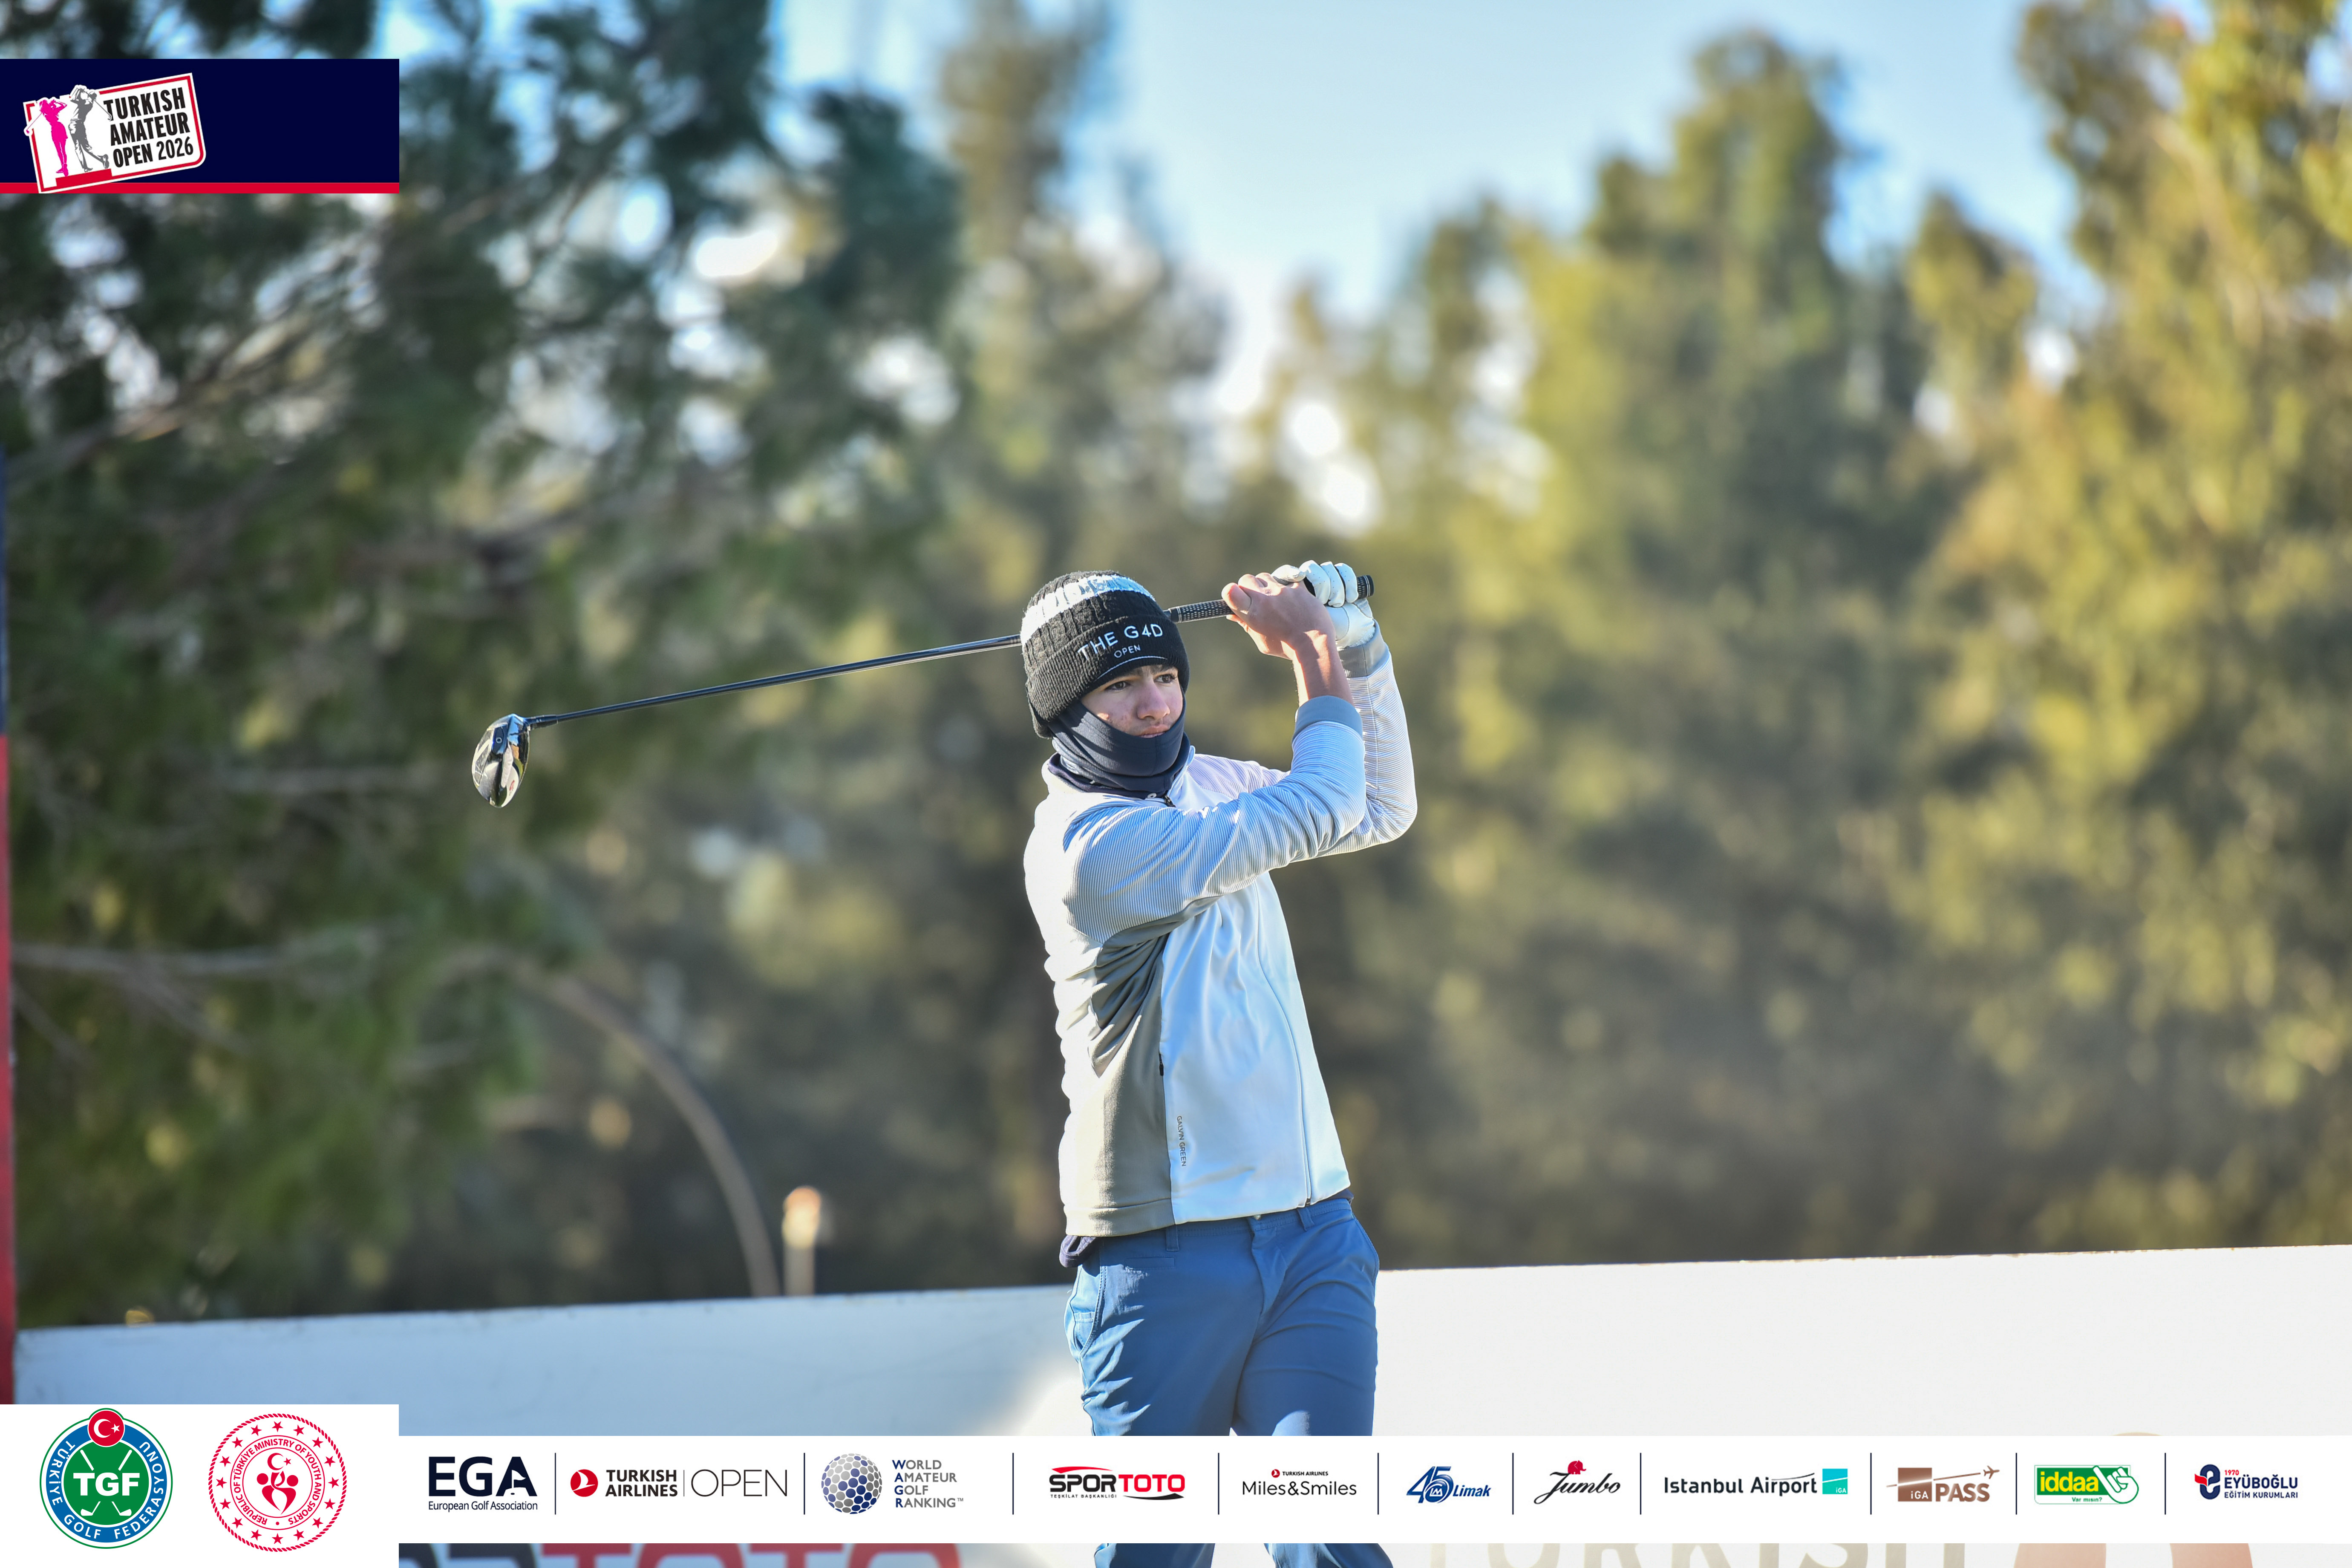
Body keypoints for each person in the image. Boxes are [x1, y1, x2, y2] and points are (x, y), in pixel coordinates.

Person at [1019, 561, 1415, 1568]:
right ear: (1063, 709)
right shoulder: (1088, 846)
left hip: (1312, 1233)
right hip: (1160, 1259)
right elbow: (1319, 801)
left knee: (1330, 1540)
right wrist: (1312, 648)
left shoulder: (1207, 785)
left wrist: (1360, 645)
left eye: (1165, 674)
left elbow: (1373, 804)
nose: (1155, 703)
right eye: (1120, 686)